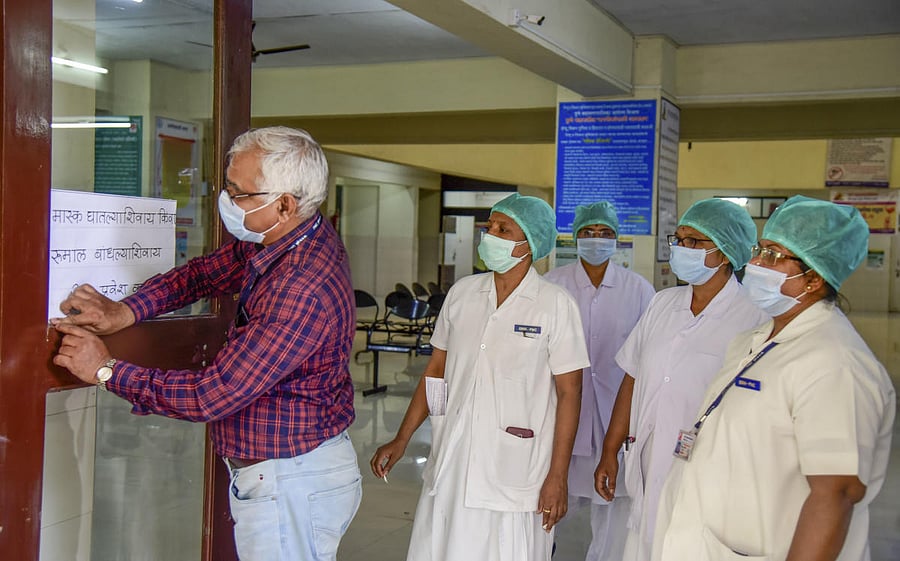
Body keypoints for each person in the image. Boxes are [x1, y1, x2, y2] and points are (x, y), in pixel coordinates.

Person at [51, 126, 361, 561]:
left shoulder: (301, 286)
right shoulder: (279, 238)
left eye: (239, 193)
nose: (227, 202)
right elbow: (201, 274)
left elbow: (212, 395)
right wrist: (127, 311)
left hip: (294, 479)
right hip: (287, 470)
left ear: (285, 204)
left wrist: (106, 369)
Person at [653, 196, 896, 561]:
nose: (754, 262)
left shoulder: (834, 364)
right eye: (760, 250)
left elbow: (836, 493)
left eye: (772, 255)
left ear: (813, 278)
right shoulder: (754, 342)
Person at [370, 193, 590, 561]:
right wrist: (402, 438)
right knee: (443, 547)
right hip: (454, 457)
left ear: (530, 243)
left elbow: (571, 393)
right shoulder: (463, 294)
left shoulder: (555, 304)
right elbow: (436, 372)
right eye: (489, 227)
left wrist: (558, 476)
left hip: (518, 467)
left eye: (503, 229)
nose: (490, 235)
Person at [594, 198, 769, 561]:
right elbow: (632, 377)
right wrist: (610, 450)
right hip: (645, 461)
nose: (683, 249)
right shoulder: (662, 304)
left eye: (695, 242)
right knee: (643, 542)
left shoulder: (753, 317)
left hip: (708, 472)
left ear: (725, 252)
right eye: (680, 240)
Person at [544, 201, 655, 561]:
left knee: (614, 514)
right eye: (588, 233)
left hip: (615, 422)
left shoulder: (638, 290)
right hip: (563, 419)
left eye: (605, 233)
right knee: (548, 507)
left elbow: (647, 359)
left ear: (617, 240)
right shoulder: (553, 286)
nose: (596, 240)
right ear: (575, 237)